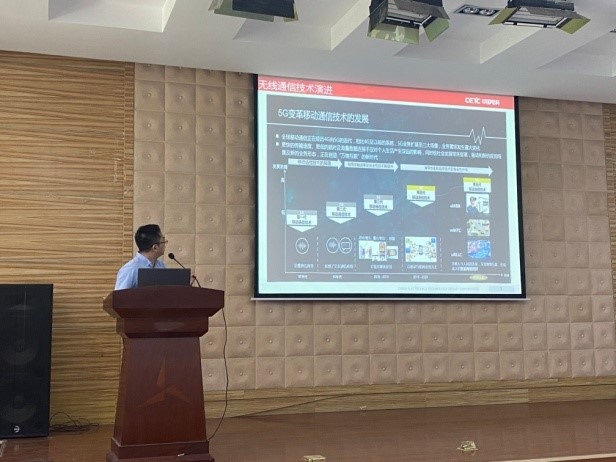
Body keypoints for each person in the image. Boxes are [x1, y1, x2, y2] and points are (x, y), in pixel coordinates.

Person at [115, 224, 168, 290]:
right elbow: (120, 295)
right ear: (155, 247)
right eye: (163, 241)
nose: (165, 244)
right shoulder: (130, 269)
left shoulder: (161, 265)